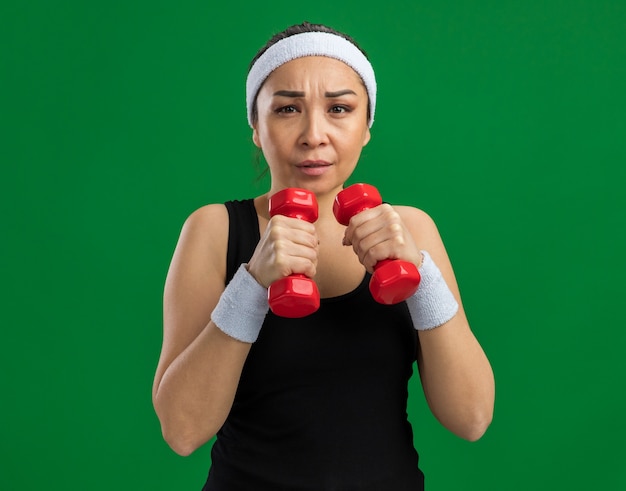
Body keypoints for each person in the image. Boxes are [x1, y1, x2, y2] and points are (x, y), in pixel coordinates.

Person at [152, 21, 495, 490]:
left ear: (366, 126)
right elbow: (182, 431)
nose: (314, 134)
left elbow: (471, 418)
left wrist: (423, 277)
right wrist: (251, 283)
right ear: (256, 126)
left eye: (339, 108)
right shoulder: (214, 230)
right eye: (288, 108)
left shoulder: (412, 229)